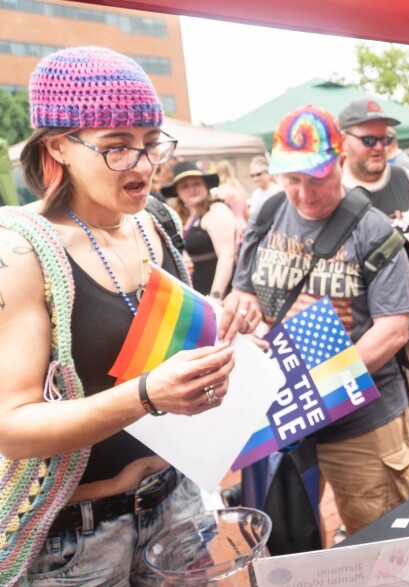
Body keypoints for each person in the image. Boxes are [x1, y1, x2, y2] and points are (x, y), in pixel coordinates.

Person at [0, 46, 255, 586]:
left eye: (150, 142)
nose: (143, 164)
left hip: (177, 501)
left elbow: (148, 327)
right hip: (77, 538)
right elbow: (11, 426)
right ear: (57, 147)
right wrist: (144, 396)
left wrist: (221, 314)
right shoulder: (20, 253)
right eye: (117, 148)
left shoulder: (155, 219)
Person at [228, 105, 409, 534]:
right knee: (288, 536)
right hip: (284, 412)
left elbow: (393, 331)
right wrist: (241, 315)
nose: (304, 193)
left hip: (362, 420)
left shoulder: (372, 230)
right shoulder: (266, 214)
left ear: (338, 163)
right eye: (292, 179)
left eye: (316, 178)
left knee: (383, 536)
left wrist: (320, 385)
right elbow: (242, 290)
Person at [338, 96, 409, 473]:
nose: (379, 148)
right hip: (363, 340)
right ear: (344, 141)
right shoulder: (336, 190)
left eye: (384, 139)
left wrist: (405, 241)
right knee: (372, 437)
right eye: (368, 140)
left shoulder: (403, 177)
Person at [161, 161, 237, 298]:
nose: (192, 189)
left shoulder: (216, 211)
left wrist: (216, 296)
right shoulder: (183, 218)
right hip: (195, 294)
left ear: (205, 186)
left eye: (196, 183)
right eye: (185, 186)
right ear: (177, 192)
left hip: (218, 295)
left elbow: (227, 256)